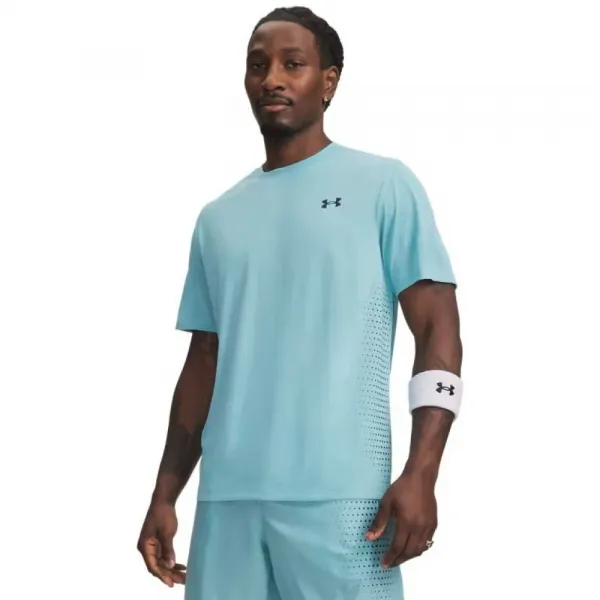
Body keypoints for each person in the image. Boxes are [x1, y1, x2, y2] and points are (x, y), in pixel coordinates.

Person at [137, 6, 463, 599]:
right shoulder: (217, 218)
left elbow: (438, 329)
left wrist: (423, 472)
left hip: (343, 501)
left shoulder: (383, 185)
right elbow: (204, 362)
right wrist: (165, 493)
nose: (273, 79)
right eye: (258, 65)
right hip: (226, 503)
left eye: (293, 64)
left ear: (329, 81)